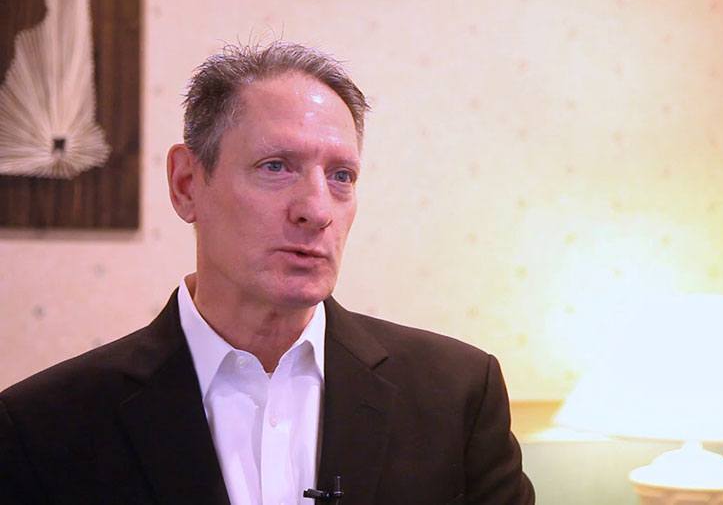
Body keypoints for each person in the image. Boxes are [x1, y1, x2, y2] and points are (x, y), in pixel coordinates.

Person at [0, 42, 535, 505]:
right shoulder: (43, 426)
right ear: (187, 184)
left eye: (341, 175)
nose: (317, 209)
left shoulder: (458, 395)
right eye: (276, 166)